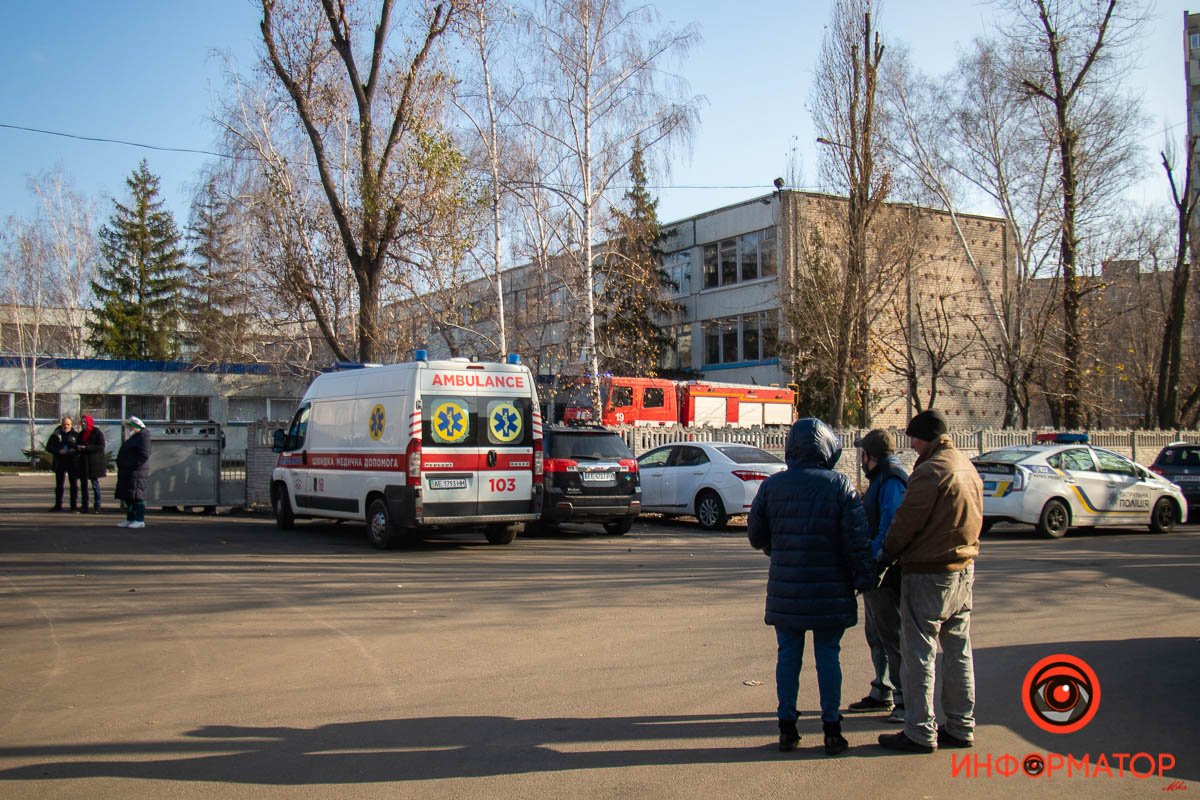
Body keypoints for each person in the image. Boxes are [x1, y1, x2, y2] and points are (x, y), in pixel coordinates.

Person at [748, 417, 875, 756]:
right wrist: (865, 578)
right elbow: (857, 541)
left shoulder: (773, 487)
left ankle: (787, 729)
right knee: (828, 657)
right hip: (831, 589)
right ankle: (832, 730)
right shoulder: (840, 485)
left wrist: (779, 548)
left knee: (788, 657)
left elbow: (756, 536)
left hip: (787, 587)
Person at [877, 409, 983, 754]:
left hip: (928, 573)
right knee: (958, 651)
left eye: (914, 439)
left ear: (924, 438)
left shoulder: (930, 471)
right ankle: (961, 725)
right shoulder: (967, 467)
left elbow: (906, 523)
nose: (911, 445)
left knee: (919, 653)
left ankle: (920, 730)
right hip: (963, 569)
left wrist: (885, 557)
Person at [846, 429, 908, 724]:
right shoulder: (882, 478)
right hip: (876, 569)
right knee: (877, 634)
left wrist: (875, 560)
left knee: (891, 636)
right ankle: (883, 689)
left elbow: (891, 525)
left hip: (885, 571)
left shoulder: (892, 479)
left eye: (862, 453)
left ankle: (904, 700)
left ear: (870, 456)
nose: (860, 458)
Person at [114, 416, 152, 529]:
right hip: (129, 471)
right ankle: (130, 518)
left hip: (137, 472)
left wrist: (131, 465)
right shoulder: (135, 437)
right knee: (129, 496)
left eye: (131, 426)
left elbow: (144, 455)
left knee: (137, 496)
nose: (130, 428)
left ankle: (139, 519)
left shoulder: (143, 437)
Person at [45, 415, 80, 512]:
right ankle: (58, 505)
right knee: (59, 485)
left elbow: (79, 448)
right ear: (61, 425)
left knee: (74, 485)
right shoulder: (56, 434)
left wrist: (74, 450)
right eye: (64, 424)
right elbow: (48, 447)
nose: (66, 426)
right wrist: (58, 451)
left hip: (72, 462)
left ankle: (74, 506)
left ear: (71, 425)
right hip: (60, 462)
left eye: (68, 424)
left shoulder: (75, 435)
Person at [76, 415, 107, 514]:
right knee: (83, 485)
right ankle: (84, 505)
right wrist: (78, 448)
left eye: (85, 422)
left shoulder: (96, 432)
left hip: (94, 463)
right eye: (82, 422)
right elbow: (77, 444)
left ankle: (97, 505)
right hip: (84, 462)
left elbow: (100, 446)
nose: (83, 424)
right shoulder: (81, 434)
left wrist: (86, 448)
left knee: (95, 485)